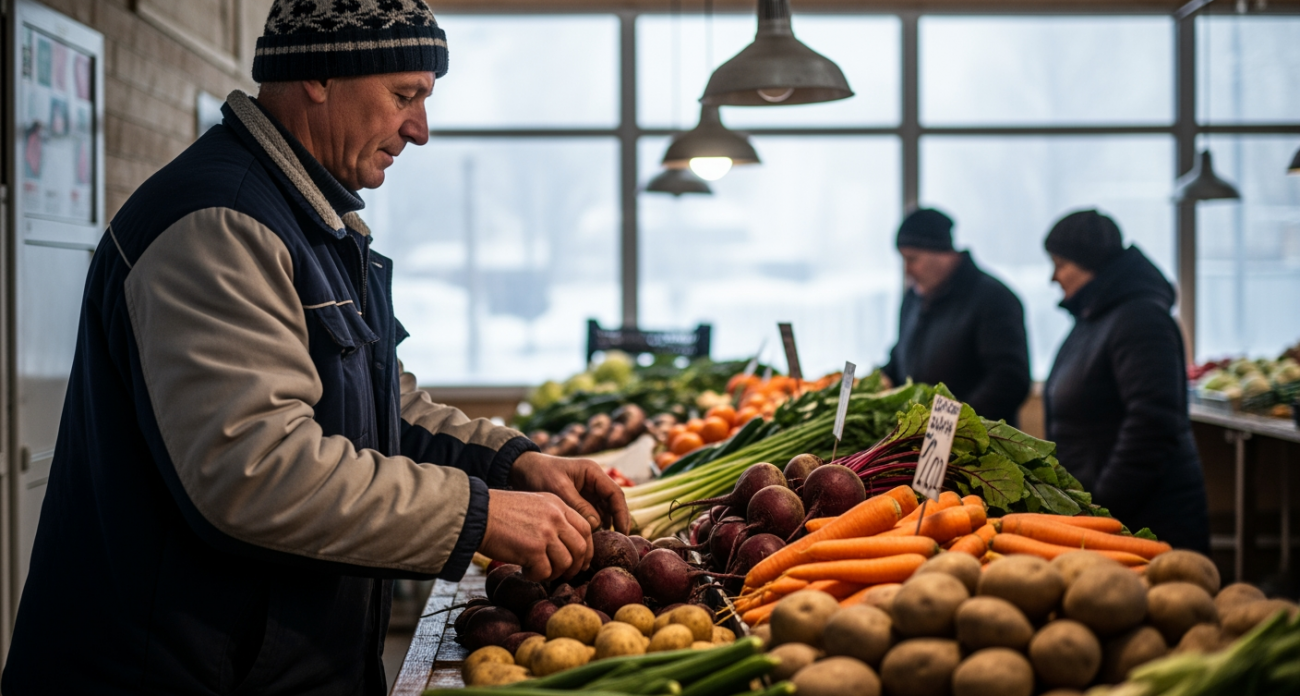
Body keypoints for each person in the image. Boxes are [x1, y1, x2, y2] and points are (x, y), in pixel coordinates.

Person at [2, 2, 628, 694]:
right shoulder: (218, 225)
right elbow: (256, 471)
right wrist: (479, 513)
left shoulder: (313, 223)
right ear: (320, 76)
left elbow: (383, 411)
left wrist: (516, 463)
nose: (419, 130)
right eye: (404, 96)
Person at [1043, 209, 1209, 553]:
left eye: (1060, 264)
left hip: (1149, 521)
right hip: (1109, 517)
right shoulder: (1096, 316)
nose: (1053, 277)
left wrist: (1104, 502)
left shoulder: (1141, 319)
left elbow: (1153, 421)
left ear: (1089, 262)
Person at [882, 208, 1032, 425]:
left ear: (942, 253)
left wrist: (952, 422)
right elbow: (902, 354)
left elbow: (1009, 380)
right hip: (923, 439)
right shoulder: (914, 298)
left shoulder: (993, 298)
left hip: (975, 446)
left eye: (913, 259)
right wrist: (881, 379)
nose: (908, 270)